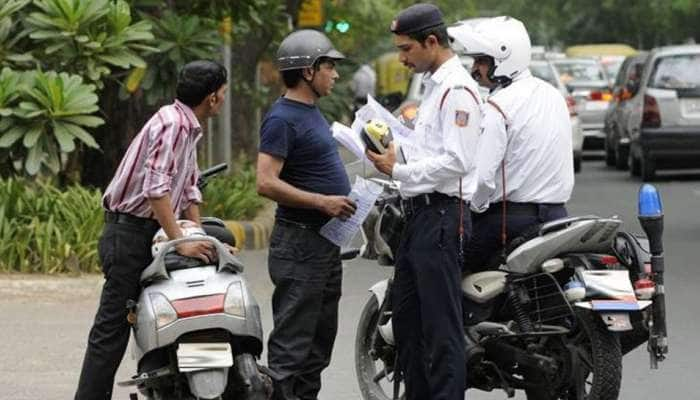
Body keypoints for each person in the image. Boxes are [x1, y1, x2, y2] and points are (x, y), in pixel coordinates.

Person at [74, 60, 229, 400]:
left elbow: (188, 188)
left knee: (180, 312)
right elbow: (156, 190)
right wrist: (181, 243)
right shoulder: (173, 125)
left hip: (151, 231)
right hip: (129, 234)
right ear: (213, 97)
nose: (224, 97)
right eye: (223, 91)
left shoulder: (187, 126)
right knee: (112, 330)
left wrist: (198, 237)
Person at [366, 4, 482, 400]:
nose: (401, 58)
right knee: (410, 328)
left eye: (406, 49)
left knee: (440, 329)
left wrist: (397, 170)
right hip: (418, 218)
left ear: (431, 42)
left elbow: (458, 161)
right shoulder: (435, 88)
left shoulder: (459, 91)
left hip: (442, 217)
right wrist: (395, 151)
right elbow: (428, 149)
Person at [255, 29, 357, 400]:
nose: (336, 74)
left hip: (323, 245)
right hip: (299, 244)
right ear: (309, 71)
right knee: (290, 351)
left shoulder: (311, 112)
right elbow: (265, 182)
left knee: (317, 348)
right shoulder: (282, 118)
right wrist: (321, 202)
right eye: (329, 66)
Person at [448, 17, 574, 272]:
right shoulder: (552, 94)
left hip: (508, 222)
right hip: (558, 217)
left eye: (481, 61)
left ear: (503, 58)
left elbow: (483, 179)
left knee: (447, 268)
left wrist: (474, 206)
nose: (475, 69)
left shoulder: (499, 106)